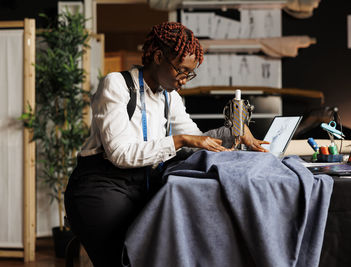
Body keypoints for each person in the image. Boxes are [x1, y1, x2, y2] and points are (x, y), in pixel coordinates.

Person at [64, 21, 267, 267]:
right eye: (181, 70)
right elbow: (120, 154)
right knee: (124, 261)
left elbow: (195, 139)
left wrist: (232, 131)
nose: (184, 80)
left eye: (189, 74)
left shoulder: (169, 96)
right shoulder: (117, 85)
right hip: (100, 187)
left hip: (141, 186)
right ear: (158, 57)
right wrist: (179, 140)